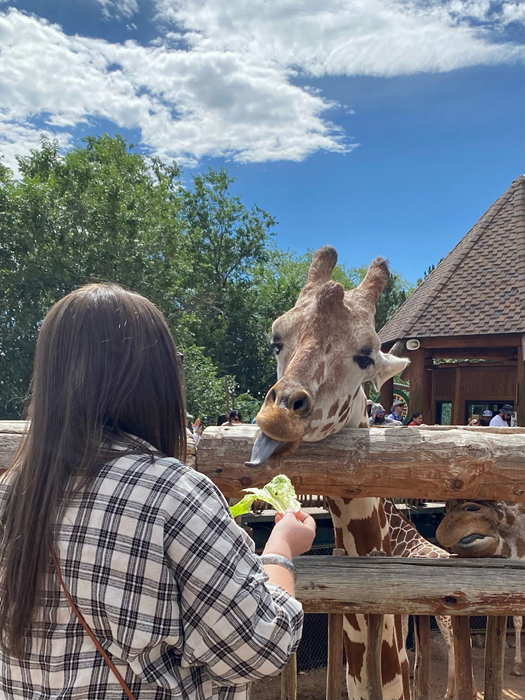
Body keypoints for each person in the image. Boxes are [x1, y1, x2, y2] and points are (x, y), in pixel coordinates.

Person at [0, 284, 316, 700]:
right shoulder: (174, 493)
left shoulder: (11, 492)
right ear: (154, 378)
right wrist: (281, 550)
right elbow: (258, 647)